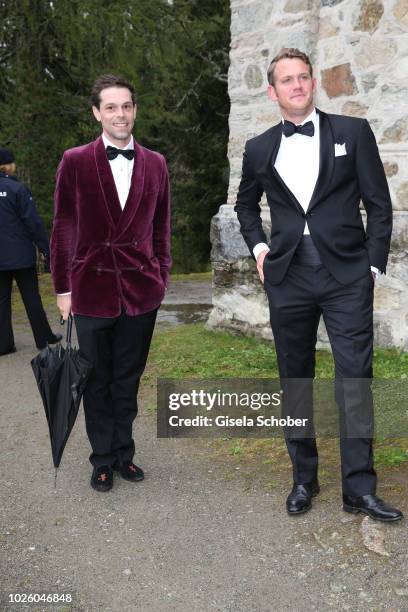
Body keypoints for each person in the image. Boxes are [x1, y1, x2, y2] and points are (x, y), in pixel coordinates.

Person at [234, 48, 403, 521]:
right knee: (296, 380)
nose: (296, 85)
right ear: (272, 91)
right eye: (286, 80)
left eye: (303, 77)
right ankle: (303, 479)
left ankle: (360, 489)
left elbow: (379, 203)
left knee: (355, 378)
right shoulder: (260, 147)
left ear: (313, 82)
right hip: (287, 275)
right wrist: (259, 249)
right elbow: (246, 206)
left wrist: (371, 266)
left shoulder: (353, 132)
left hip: (347, 274)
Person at [50, 75, 171, 492]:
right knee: (97, 379)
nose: (120, 114)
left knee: (128, 379)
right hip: (91, 291)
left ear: (135, 110)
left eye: (127, 106)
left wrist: (162, 276)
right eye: (111, 107)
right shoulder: (76, 160)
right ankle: (101, 458)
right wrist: (63, 289)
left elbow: (162, 226)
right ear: (97, 113)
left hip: (141, 293)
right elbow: (64, 226)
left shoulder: (156, 163)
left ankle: (124, 454)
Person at [0, 148, 61, 355]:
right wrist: (46, 249)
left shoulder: (16, 188)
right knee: (31, 296)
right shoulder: (17, 189)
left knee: (2, 300)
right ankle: (43, 338)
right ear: (8, 166)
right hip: (20, 255)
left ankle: (4, 344)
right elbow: (32, 223)